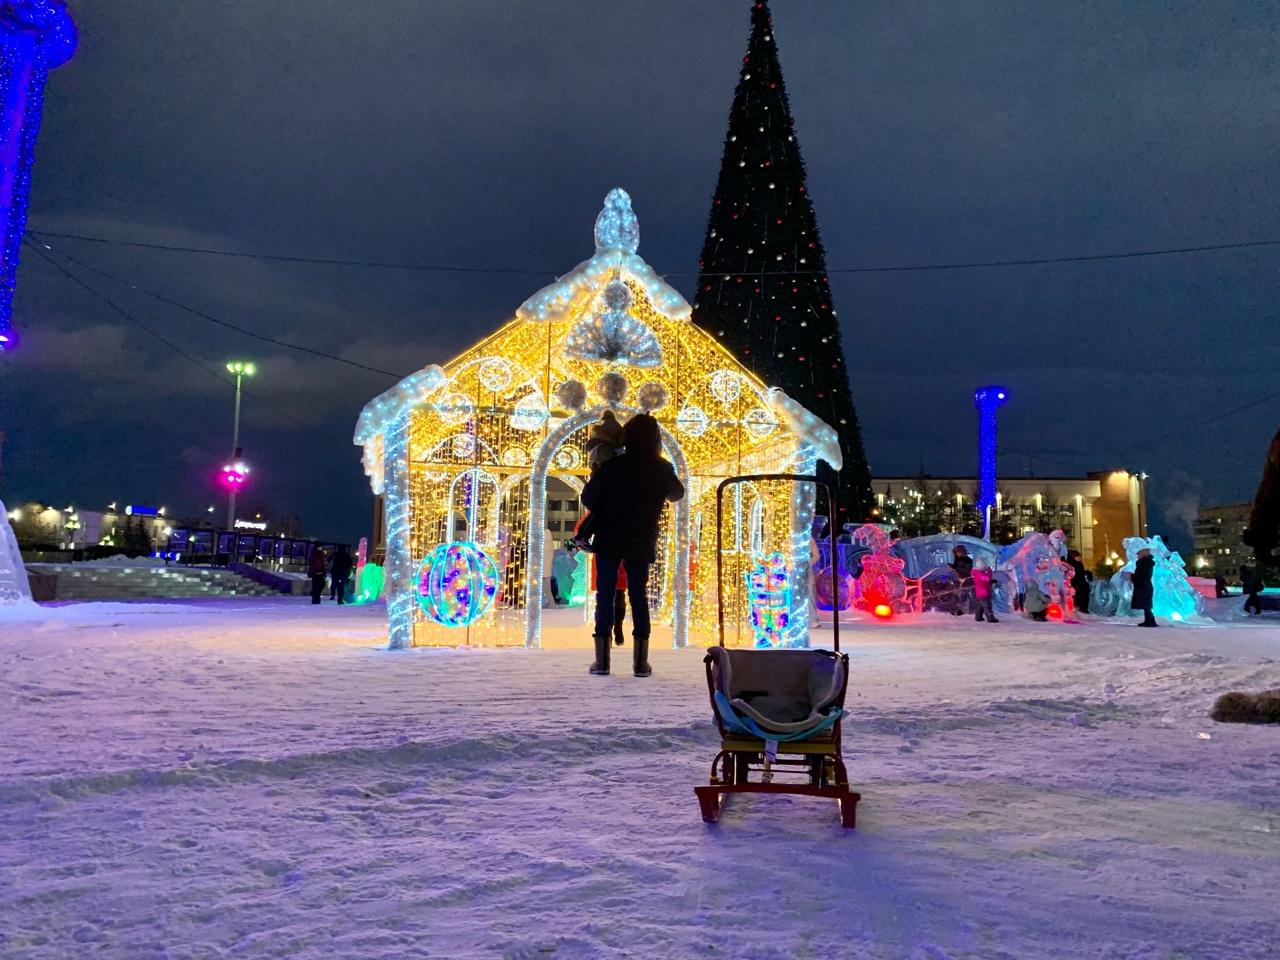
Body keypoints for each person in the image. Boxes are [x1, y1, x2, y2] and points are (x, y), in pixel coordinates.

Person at [580, 413, 684, 677]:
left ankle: (602, 662)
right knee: (638, 596)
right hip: (641, 539)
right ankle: (640, 664)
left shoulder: (613, 466)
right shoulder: (661, 468)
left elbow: (589, 499)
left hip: (609, 538)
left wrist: (601, 474)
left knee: (605, 594)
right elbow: (677, 494)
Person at [1130, 547, 1156, 627]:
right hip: (1145, 586)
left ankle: (1150, 621)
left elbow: (1142, 575)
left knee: (1146, 605)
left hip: (1144, 586)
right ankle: (1148, 620)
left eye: (1139, 553)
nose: (1137, 555)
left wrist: (1132, 577)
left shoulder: (1144, 563)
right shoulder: (1146, 563)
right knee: (1146, 605)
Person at [972, 557, 999, 623]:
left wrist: (991, 581)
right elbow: (986, 579)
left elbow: (984, 581)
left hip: (979, 592)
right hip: (983, 592)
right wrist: (989, 572)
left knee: (980, 605)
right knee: (987, 606)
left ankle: (978, 617)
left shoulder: (976, 573)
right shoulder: (979, 573)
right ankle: (990, 618)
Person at [949, 544, 974, 616]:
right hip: (958, 579)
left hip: (966, 579)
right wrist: (951, 566)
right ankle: (957, 609)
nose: (957, 554)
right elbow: (956, 566)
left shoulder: (968, 560)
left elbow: (966, 570)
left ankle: (964, 610)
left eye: (958, 552)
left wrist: (955, 568)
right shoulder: (958, 559)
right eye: (956, 553)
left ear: (961, 552)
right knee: (956, 595)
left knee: (963, 596)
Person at [1067, 549, 1091, 614]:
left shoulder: (1079, 564)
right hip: (1076, 583)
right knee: (1080, 594)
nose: (1080, 558)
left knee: (1085, 594)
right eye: (1078, 556)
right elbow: (1074, 574)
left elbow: (1081, 572)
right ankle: (1078, 607)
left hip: (1082, 582)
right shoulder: (1071, 564)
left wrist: (1087, 573)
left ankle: (1083, 608)